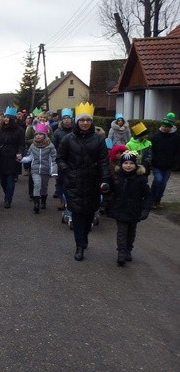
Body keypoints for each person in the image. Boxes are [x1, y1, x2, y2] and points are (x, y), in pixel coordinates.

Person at [56, 102, 111, 261]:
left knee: (88, 216)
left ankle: (84, 237)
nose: (85, 123)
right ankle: (79, 246)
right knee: (78, 215)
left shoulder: (99, 139)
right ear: (77, 122)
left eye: (88, 120)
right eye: (82, 120)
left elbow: (103, 161)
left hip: (92, 182)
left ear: (91, 122)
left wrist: (105, 179)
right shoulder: (67, 139)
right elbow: (60, 158)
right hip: (74, 182)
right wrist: (68, 171)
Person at [107, 151, 152, 266]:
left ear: (135, 165)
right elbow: (110, 191)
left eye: (131, 163)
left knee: (131, 232)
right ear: (121, 164)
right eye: (125, 163)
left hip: (134, 210)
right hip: (120, 209)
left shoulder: (140, 179)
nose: (128, 165)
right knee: (122, 231)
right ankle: (121, 253)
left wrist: (145, 209)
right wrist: (105, 188)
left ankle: (128, 250)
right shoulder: (116, 177)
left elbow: (147, 195)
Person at [21, 123, 58, 214]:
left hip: (46, 170)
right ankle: (36, 203)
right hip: (35, 169)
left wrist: (54, 171)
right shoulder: (33, 146)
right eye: (37, 134)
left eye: (40, 134)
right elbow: (29, 157)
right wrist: (21, 159)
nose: (38, 136)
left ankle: (43, 200)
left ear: (45, 136)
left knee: (44, 187)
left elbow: (54, 159)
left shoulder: (50, 146)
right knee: (37, 184)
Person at [0, 106, 25, 208]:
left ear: (12, 119)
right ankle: (7, 194)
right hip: (1, 157)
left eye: (8, 117)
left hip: (13, 157)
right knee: (3, 180)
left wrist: (20, 153)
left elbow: (21, 144)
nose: (6, 119)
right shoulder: (0, 130)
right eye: (5, 117)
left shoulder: (19, 130)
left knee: (10, 178)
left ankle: (8, 200)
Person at [149, 113, 180, 209]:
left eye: (166, 126)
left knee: (163, 183)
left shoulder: (176, 137)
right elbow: (151, 149)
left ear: (170, 127)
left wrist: (175, 162)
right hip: (156, 164)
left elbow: (178, 151)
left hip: (168, 165)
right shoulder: (156, 136)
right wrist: (152, 161)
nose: (164, 128)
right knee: (158, 180)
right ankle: (151, 199)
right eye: (163, 126)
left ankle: (157, 200)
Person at [52, 108, 74, 210]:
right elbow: (53, 146)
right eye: (64, 118)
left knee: (72, 182)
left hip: (74, 160)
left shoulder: (76, 130)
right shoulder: (57, 132)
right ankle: (62, 200)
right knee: (60, 182)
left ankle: (71, 201)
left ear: (71, 119)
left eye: (68, 118)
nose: (66, 120)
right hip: (61, 160)